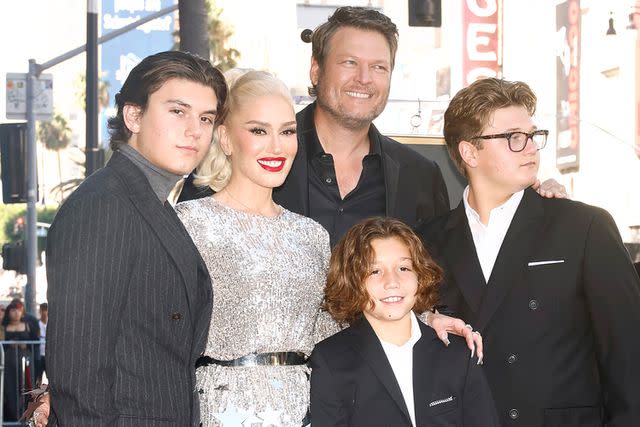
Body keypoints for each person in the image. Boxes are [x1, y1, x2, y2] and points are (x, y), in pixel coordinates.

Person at [418, 77, 640, 426]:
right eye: (513, 138)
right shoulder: (426, 242)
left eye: (533, 135)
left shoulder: (585, 226)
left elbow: (629, 356)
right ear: (469, 151)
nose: (532, 148)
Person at [45, 50, 226, 426]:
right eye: (178, 111)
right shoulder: (104, 204)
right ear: (134, 116)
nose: (195, 130)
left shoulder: (151, 203)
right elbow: (79, 371)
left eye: (205, 118)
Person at [176, 69, 335, 426]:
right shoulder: (189, 223)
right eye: (259, 131)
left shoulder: (311, 235)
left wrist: (423, 320)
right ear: (226, 139)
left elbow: (335, 326)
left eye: (287, 131)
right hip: (219, 411)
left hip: (307, 411)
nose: (277, 147)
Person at [310, 217, 499, 426]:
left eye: (404, 268)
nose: (392, 282)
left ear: (420, 275)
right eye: (375, 271)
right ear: (351, 281)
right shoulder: (331, 360)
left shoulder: (457, 353)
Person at [2, 300, 39, 421]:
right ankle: (13, 416)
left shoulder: (29, 325)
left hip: (26, 362)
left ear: (22, 311)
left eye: (18, 309)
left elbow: (36, 343)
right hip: (8, 363)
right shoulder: (3, 327)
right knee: (9, 388)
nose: (16, 312)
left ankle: (27, 415)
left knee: (27, 387)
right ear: (9, 312)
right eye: (13, 310)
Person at [35, 302, 47, 385]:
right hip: (39, 355)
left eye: (46, 310)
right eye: (42, 310)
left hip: (49, 355)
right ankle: (37, 397)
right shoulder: (37, 324)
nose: (44, 313)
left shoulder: (53, 324)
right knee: (38, 378)